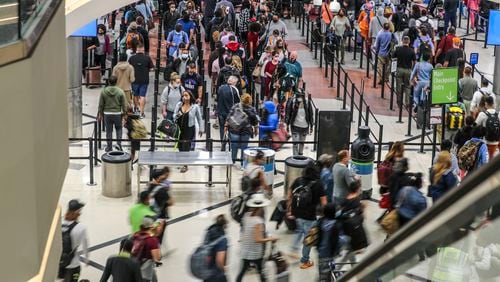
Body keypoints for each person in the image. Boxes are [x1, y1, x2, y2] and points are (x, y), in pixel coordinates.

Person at [287, 161, 327, 269]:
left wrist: (289, 209)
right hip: (310, 215)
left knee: (299, 230)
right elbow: (324, 202)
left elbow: (289, 194)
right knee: (308, 238)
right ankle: (305, 260)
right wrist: (325, 214)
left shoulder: (298, 180)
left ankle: (293, 249)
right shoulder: (318, 184)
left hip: (297, 212)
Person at [236, 194, 277, 282]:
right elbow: (258, 239)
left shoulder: (246, 216)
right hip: (255, 252)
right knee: (261, 272)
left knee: (242, 272)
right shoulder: (258, 221)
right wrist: (271, 239)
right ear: (261, 207)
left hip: (245, 250)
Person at [58, 200, 89, 282]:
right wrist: (86, 259)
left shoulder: (59, 222)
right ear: (77, 212)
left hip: (59, 262)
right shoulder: (81, 227)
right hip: (73, 264)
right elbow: (85, 245)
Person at [225, 93, 260, 166]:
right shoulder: (251, 109)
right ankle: (242, 163)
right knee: (244, 147)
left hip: (234, 129)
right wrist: (256, 129)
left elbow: (229, 116)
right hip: (246, 131)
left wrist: (226, 126)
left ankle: (233, 161)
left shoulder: (236, 106)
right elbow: (255, 121)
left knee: (234, 146)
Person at [98, 75, 127, 152]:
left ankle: (109, 147)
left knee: (109, 130)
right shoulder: (120, 91)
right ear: (116, 82)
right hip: (117, 113)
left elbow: (101, 104)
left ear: (108, 82)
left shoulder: (104, 91)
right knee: (119, 128)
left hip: (107, 114)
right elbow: (124, 104)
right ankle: (119, 145)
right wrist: (125, 114)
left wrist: (100, 114)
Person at [317, 203, 342, 282]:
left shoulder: (320, 222)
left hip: (321, 252)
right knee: (326, 273)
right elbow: (336, 242)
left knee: (323, 271)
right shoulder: (336, 225)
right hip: (329, 253)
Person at [131, 217, 162, 282]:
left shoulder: (134, 235)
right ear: (151, 227)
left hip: (132, 269)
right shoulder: (152, 240)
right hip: (144, 273)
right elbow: (158, 257)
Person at [285, 90, 314, 156]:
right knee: (295, 144)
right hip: (295, 127)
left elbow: (310, 114)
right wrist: (287, 125)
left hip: (305, 127)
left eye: (301, 96)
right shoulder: (293, 102)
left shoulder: (307, 102)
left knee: (301, 144)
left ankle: (300, 156)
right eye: (299, 95)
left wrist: (311, 126)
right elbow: (288, 113)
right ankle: (295, 158)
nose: (300, 97)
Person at [129, 44, 154, 118]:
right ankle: (142, 112)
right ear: (143, 50)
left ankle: (136, 109)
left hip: (134, 79)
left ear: (136, 49)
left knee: (135, 95)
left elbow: (129, 67)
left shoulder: (132, 58)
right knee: (142, 96)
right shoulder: (147, 58)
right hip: (144, 80)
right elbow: (152, 68)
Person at [203, 215, 229, 282]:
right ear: (224, 225)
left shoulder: (208, 233)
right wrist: (223, 270)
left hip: (206, 271)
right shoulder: (222, 239)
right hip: (217, 275)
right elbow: (219, 260)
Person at [217, 75, 240, 151]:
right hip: (230, 114)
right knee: (230, 130)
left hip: (220, 112)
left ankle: (223, 144)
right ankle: (230, 145)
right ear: (233, 82)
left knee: (222, 129)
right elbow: (237, 103)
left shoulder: (220, 88)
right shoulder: (234, 90)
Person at [393, 36, 416, 106]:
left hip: (399, 69)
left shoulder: (398, 49)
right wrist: (412, 69)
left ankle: (399, 102)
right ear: (409, 42)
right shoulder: (412, 51)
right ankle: (407, 102)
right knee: (408, 86)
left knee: (398, 86)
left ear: (402, 41)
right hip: (408, 70)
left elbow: (393, 59)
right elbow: (415, 62)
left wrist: (393, 70)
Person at [475, 96, 500, 160]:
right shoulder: (498, 114)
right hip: (496, 141)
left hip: (486, 141)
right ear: (493, 104)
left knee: (486, 158)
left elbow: (475, 125)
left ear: (486, 104)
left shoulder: (482, 114)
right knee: (492, 158)